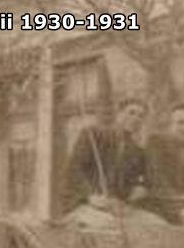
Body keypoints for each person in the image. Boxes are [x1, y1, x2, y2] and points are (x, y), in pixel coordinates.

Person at [60, 98, 164, 228]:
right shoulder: (93, 135)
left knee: (157, 224)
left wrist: (138, 189)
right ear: (118, 114)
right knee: (109, 225)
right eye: (131, 113)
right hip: (85, 203)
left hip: (116, 208)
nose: (136, 118)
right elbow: (74, 169)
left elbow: (140, 182)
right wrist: (90, 196)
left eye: (141, 116)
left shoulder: (137, 151)